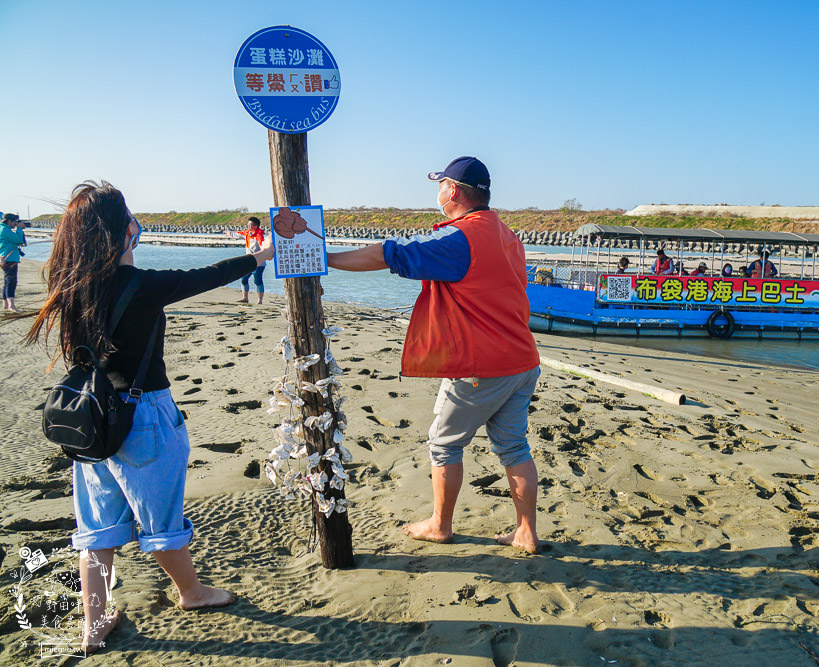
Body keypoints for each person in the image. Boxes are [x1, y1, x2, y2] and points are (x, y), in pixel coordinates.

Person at [25, 182, 273, 653]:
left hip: (92, 418)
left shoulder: (70, 284)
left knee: (97, 528)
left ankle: (93, 625)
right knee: (160, 521)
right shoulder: (139, 286)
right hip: (143, 417)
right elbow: (208, 276)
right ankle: (193, 593)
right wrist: (261, 256)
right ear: (122, 232)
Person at [324, 156, 542, 553]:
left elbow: (390, 254)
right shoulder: (505, 234)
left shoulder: (462, 238)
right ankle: (526, 532)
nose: (437, 190)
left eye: (439, 183)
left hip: (482, 365)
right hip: (522, 358)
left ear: (453, 190)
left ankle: (440, 525)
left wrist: (323, 260)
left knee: (444, 444)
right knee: (513, 447)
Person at [228, 216, 266, 304]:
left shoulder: (259, 235)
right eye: (248, 224)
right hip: (248, 262)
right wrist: (230, 233)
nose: (248, 226)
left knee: (257, 281)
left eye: (250, 225)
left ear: (256, 226)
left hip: (259, 263)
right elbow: (239, 234)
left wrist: (265, 253)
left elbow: (262, 246)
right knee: (243, 279)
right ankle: (245, 298)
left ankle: (259, 301)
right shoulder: (247, 233)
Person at [1, 212, 27, 312]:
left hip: (6, 258)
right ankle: (11, 306)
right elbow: (18, 240)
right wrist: (19, 229)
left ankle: (6, 304)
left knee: (7, 281)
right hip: (9, 258)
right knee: (11, 281)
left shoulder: (4, 229)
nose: (14, 224)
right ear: (8, 221)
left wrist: (18, 229)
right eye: (13, 222)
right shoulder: (5, 230)